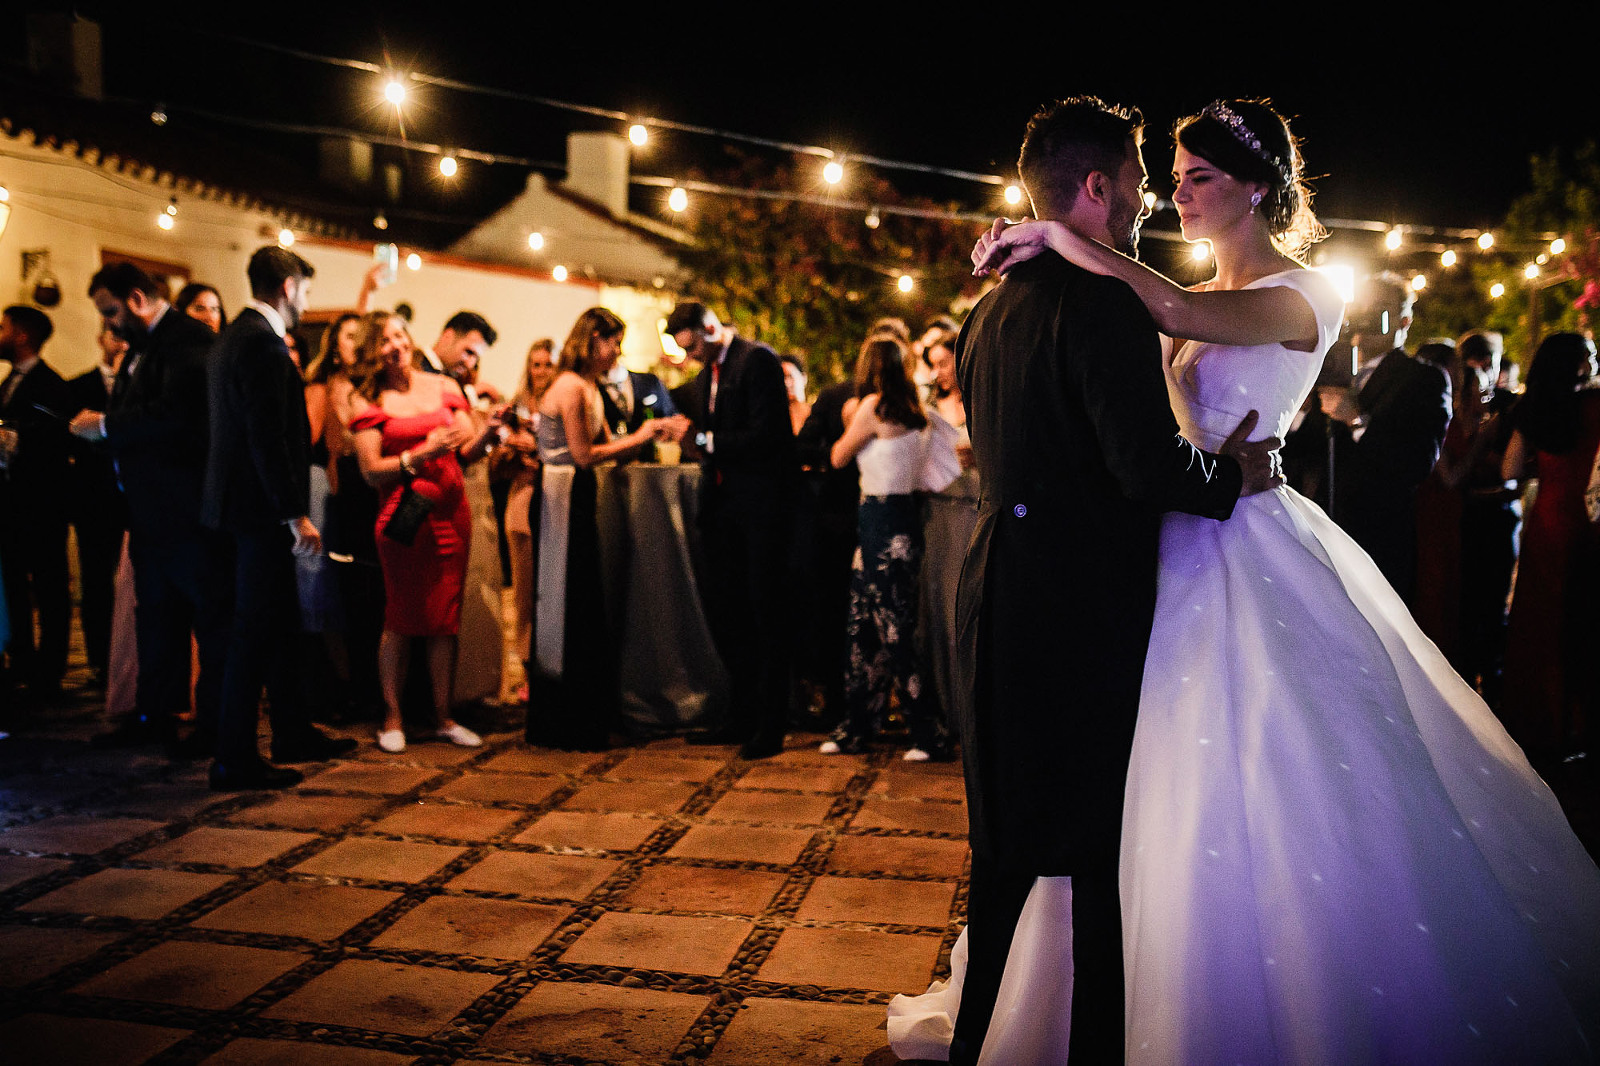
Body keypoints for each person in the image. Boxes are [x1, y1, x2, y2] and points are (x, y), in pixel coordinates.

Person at [901, 97, 1600, 1064]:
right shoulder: (1156, 286)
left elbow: (1183, 314)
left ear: (1257, 187)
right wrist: (1055, 247)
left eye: (1199, 178)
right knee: (1117, 783)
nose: (1176, 194)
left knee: (1258, 765)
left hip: (1246, 538)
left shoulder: (1306, 292)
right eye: (1171, 176)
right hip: (1156, 548)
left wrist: (1052, 234)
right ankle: (1090, 998)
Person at [884, 97, 1271, 1066]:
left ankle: (981, 1039)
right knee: (1099, 861)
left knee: (1003, 850)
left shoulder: (990, 309)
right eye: (1138, 177)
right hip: (1074, 616)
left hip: (993, 596)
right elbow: (1142, 464)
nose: (1146, 197)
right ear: (1097, 188)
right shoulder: (1098, 303)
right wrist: (1236, 475)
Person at [202, 246, 356, 790]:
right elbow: (266, 438)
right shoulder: (262, 346)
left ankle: (293, 730)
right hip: (260, 510)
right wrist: (294, 515)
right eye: (305, 291)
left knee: (283, 622)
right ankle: (234, 757)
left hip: (237, 505)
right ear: (288, 287)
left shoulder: (230, 339)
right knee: (253, 630)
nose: (305, 301)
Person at [74, 263, 227, 753]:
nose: (111, 324)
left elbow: (179, 416)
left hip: (184, 505)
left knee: (204, 615)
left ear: (137, 298)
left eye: (112, 311)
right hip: (147, 508)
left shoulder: (187, 341)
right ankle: (154, 714)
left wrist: (107, 426)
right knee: (156, 614)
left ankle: (212, 727)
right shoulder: (140, 348)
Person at [528, 308, 679, 750]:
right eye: (613, 341)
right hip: (562, 496)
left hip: (574, 495)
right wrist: (645, 434)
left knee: (583, 602)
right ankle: (569, 721)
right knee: (569, 603)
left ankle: (584, 715)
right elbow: (583, 454)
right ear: (594, 339)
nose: (618, 351)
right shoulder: (572, 387)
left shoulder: (586, 385)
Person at [349, 312, 500, 753]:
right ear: (372, 351)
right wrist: (421, 453)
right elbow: (371, 472)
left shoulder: (445, 387)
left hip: (452, 515)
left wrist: (490, 432)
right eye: (383, 340)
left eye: (399, 335)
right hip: (402, 519)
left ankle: (443, 717)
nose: (394, 344)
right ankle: (392, 718)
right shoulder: (368, 400)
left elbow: (467, 452)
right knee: (400, 617)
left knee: (445, 619)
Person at [818, 334, 956, 760]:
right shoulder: (920, 414)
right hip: (903, 521)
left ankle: (926, 731)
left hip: (877, 520)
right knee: (864, 624)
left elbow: (839, 457)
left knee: (892, 629)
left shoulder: (872, 406)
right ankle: (858, 724)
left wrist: (847, 425)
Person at [669, 301, 796, 760]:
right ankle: (739, 713)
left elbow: (770, 436)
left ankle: (770, 723)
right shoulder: (706, 378)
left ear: (708, 327)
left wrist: (704, 441)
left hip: (760, 510)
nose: (695, 358)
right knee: (730, 614)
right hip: (722, 511)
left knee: (766, 615)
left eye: (696, 348)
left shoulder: (755, 360)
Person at [1322, 273, 1452, 604]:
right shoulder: (1330, 369)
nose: (1364, 319)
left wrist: (1356, 419)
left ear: (1403, 320)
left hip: (1379, 535)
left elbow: (1416, 462)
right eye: (1359, 308)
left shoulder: (1423, 378)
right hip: (1323, 528)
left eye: (1377, 310)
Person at [1500, 333, 1600, 759]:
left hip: (1548, 518)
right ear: (1577, 363)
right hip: (1590, 521)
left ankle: (1539, 722)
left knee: (1543, 617)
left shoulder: (1533, 406)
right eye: (1591, 355)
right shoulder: (1596, 406)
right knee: (1585, 618)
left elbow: (1509, 468)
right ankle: (1582, 724)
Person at [0, 305, 73, 705]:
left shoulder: (51, 386)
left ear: (22, 335)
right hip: (8, 505)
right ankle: (21, 660)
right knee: (13, 586)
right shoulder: (7, 383)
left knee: (49, 587)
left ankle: (50, 670)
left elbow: (57, 443)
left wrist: (17, 442)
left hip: (42, 506)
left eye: (3, 327)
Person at [915, 325, 978, 739]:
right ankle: (941, 712)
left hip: (971, 511)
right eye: (933, 364)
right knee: (935, 613)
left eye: (945, 361)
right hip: (935, 514)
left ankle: (971, 714)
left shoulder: (980, 398)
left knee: (965, 613)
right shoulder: (925, 410)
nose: (939, 371)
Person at [65, 326, 129, 686]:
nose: (120, 342)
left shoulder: (141, 383)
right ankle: (100, 661)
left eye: (125, 336)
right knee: (96, 581)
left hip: (134, 497)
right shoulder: (78, 387)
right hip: (94, 497)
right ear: (99, 337)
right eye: (112, 334)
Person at [493, 338, 555, 692]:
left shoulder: (564, 400)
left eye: (548, 364)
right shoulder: (514, 408)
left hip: (555, 499)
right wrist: (509, 450)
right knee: (524, 589)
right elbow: (496, 467)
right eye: (536, 364)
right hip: (522, 497)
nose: (542, 371)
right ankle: (528, 670)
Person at [779, 353, 810, 434]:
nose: (787, 383)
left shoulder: (817, 414)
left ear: (804, 378)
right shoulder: (773, 418)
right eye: (782, 378)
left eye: (790, 376)